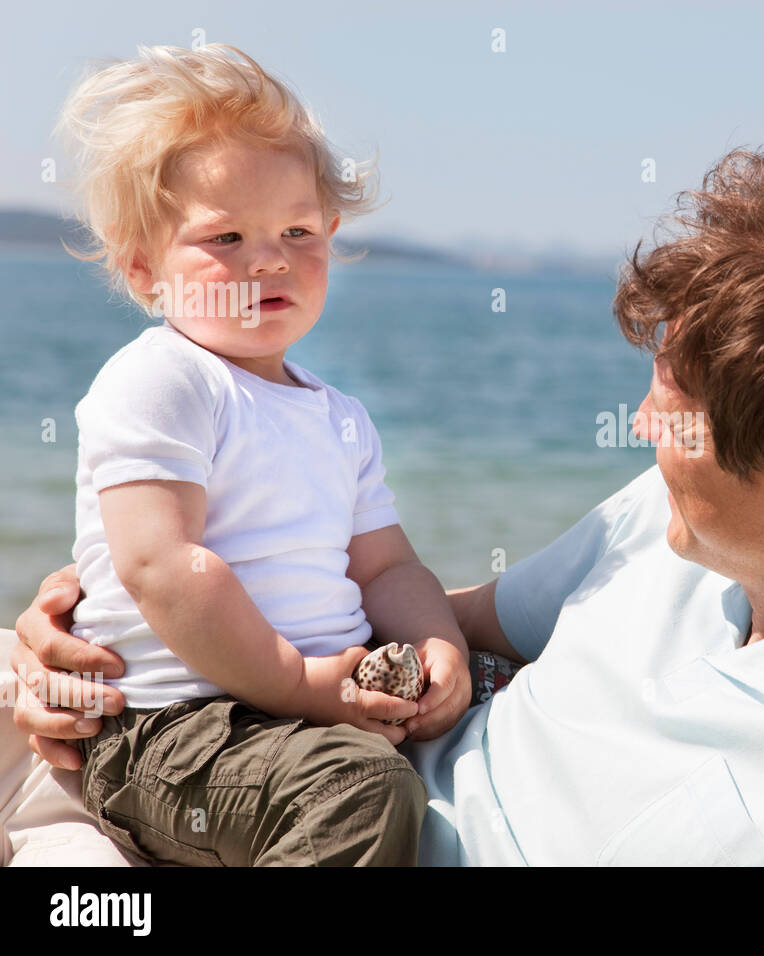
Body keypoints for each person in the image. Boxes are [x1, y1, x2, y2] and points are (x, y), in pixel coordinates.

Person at [6, 145, 764, 866]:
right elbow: (410, 613)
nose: (642, 423)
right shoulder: (661, 534)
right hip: (252, 793)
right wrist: (97, 626)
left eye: (675, 402)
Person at [10, 43, 476, 866]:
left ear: (331, 234)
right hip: (168, 728)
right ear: (145, 269)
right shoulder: (163, 378)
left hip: (287, 722)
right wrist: (301, 686)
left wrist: (444, 649)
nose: (267, 258)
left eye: (296, 230)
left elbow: (386, 569)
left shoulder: (338, 416)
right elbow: (163, 565)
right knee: (356, 793)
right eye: (225, 236)